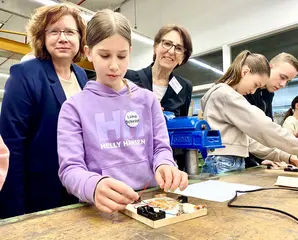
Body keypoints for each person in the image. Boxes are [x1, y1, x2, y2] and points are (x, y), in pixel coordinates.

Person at [57, 9, 188, 214]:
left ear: (130, 51)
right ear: (88, 52)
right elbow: (70, 169)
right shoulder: (73, 108)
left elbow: (161, 148)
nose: (114, 65)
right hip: (101, 208)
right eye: (105, 55)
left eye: (122, 56)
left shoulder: (148, 100)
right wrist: (93, 185)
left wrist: (164, 165)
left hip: (151, 203)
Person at [0, 4, 88, 218]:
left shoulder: (82, 76)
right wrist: (15, 212)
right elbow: (13, 146)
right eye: (54, 31)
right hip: (38, 194)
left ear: (80, 38)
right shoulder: (24, 75)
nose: (63, 38)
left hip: (77, 187)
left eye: (70, 31)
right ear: (42, 36)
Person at [200, 50, 298, 175]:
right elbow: (263, 126)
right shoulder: (225, 95)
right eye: (256, 85)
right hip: (223, 162)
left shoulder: (226, 95)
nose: (253, 92)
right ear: (245, 72)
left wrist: (286, 156)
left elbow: (249, 140)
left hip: (230, 161)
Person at [244, 53, 298, 167]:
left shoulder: (268, 94)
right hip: (240, 159)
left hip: (258, 157)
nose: (283, 84)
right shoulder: (245, 91)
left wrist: (270, 157)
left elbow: (267, 131)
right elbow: (250, 133)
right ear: (269, 67)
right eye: (282, 77)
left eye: (287, 81)